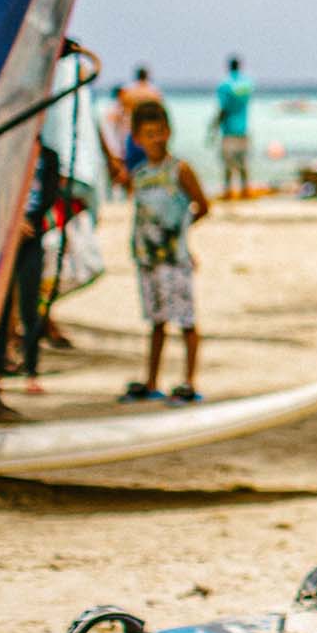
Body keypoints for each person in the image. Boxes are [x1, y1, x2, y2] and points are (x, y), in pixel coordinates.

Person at [120, 99, 210, 404]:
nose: (156, 138)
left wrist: (180, 233)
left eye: (160, 132)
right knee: (156, 320)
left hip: (175, 258)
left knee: (185, 319)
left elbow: (203, 206)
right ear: (137, 139)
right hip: (148, 259)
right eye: (149, 133)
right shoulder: (141, 174)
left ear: (168, 132)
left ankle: (188, 380)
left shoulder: (180, 170)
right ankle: (151, 380)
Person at [215, 55, 254, 198]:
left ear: (228, 67)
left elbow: (223, 108)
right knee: (243, 162)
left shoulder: (225, 85)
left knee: (228, 164)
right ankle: (245, 190)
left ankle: (228, 191)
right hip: (243, 128)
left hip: (229, 130)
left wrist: (213, 128)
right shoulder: (247, 84)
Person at [112, 64, 161, 175]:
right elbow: (160, 117)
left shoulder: (129, 93)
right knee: (153, 168)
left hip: (134, 134)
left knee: (133, 170)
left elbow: (120, 117)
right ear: (147, 76)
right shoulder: (154, 93)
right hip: (152, 134)